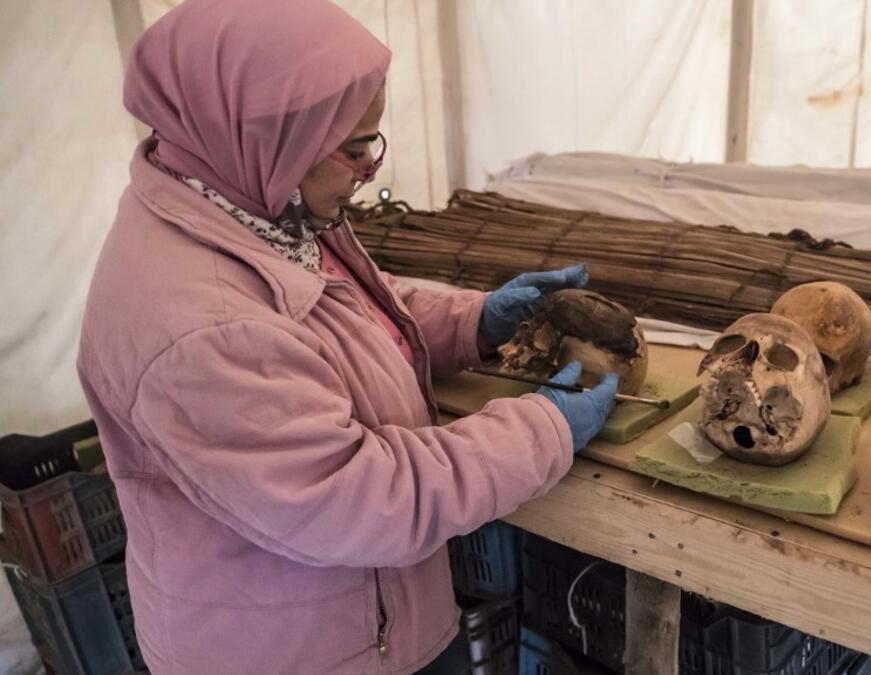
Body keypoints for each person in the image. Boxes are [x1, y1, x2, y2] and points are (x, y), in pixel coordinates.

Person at [75, 0, 618, 672]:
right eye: (356, 148)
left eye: (372, 141)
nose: (370, 170)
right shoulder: (198, 325)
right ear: (269, 132)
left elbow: (343, 309)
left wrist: (472, 321)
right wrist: (543, 431)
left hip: (370, 620)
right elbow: (359, 496)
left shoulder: (251, 197)